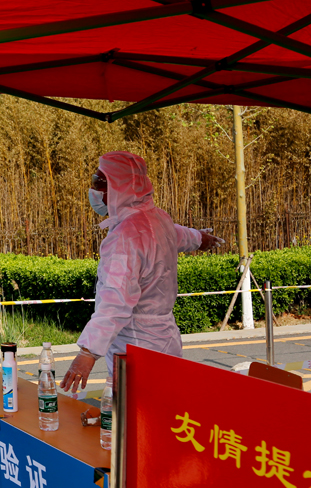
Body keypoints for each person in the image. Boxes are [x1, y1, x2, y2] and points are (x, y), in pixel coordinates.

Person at [61, 151, 222, 392]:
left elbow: (116, 300)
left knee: (137, 410)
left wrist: (87, 353)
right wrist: (200, 239)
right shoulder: (157, 219)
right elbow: (178, 234)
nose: (94, 190)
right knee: (168, 404)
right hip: (165, 340)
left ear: (119, 187)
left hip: (136, 348)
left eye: (99, 182)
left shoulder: (125, 237)